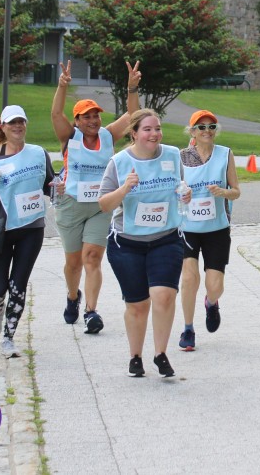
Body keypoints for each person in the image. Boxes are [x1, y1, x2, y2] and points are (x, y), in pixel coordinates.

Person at [98, 109, 192, 378]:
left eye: (158, 128)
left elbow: (180, 187)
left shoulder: (172, 155)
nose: (154, 134)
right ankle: (135, 356)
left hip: (166, 238)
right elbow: (104, 204)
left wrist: (185, 194)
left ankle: (160, 354)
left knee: (164, 295)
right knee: (138, 305)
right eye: (148, 129)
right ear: (134, 133)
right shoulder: (119, 162)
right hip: (127, 243)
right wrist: (124, 189)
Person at [51, 59, 142, 335]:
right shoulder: (69, 136)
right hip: (70, 204)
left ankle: (91, 312)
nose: (93, 121)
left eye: (96, 115)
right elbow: (56, 113)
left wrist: (132, 88)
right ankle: (72, 296)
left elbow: (134, 115)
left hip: (100, 206)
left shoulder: (108, 135)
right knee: (73, 263)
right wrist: (62, 86)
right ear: (77, 121)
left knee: (92, 258)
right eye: (86, 116)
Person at [0, 105, 55, 359]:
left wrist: (58, 187)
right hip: (1, 229)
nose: (18, 126)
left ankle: (8, 338)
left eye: (21, 122)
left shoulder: (38, 153)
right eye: (12, 123)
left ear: (25, 125)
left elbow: (49, 184)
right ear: (3, 127)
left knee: (18, 284)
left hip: (31, 228)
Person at [177, 110, 241, 351]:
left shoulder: (225, 154)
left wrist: (224, 192)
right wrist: (182, 195)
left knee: (215, 285)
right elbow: (173, 191)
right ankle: (188, 329)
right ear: (192, 131)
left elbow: (236, 191)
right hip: (188, 228)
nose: (207, 131)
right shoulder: (181, 157)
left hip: (217, 228)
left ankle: (211, 303)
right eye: (201, 127)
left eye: (211, 126)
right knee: (189, 278)